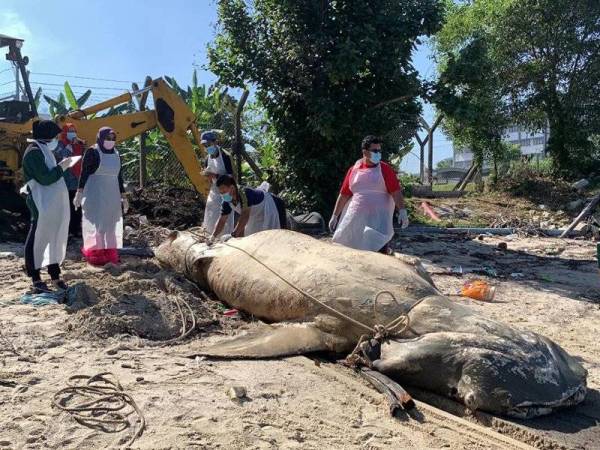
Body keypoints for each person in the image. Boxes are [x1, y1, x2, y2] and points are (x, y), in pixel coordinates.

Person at [329, 135, 409, 253]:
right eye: (375, 151)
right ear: (365, 152)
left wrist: (402, 211)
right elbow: (344, 194)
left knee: (378, 251)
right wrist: (335, 216)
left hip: (379, 220)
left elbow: (396, 192)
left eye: (379, 151)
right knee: (351, 250)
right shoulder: (353, 170)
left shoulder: (385, 169)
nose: (378, 153)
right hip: (356, 220)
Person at [21, 120, 72, 293]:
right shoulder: (34, 153)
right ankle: (35, 277)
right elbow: (46, 178)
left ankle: (54, 274)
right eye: (55, 135)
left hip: (49, 201)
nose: (56, 138)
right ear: (47, 136)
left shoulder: (43, 150)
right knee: (37, 237)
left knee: (53, 237)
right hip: (39, 201)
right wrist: (62, 167)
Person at [73, 127, 128, 265]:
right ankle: (96, 253)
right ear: (101, 137)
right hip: (95, 193)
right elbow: (84, 173)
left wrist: (124, 196)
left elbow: (119, 176)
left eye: (113, 139)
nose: (111, 141)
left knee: (111, 223)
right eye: (108, 138)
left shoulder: (116, 153)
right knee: (98, 224)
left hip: (112, 194)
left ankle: (109, 253)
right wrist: (79, 192)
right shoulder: (92, 152)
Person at [210, 174, 287, 240]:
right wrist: (213, 236)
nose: (222, 194)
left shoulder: (244, 193)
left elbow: (245, 216)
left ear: (232, 188)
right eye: (220, 192)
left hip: (272, 206)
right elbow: (222, 220)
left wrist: (233, 235)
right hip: (255, 216)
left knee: (280, 235)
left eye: (224, 191)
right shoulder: (226, 201)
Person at [53, 123, 85, 237]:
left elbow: (82, 158)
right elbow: (61, 156)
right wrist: (70, 146)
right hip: (65, 180)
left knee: (77, 205)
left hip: (77, 180)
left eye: (74, 130)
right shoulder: (60, 144)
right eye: (70, 131)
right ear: (65, 133)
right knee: (67, 206)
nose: (73, 133)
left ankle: (76, 228)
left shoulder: (79, 145)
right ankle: (67, 229)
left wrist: (79, 144)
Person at [200, 130, 234, 235]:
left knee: (224, 215)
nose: (207, 147)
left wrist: (215, 176)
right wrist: (207, 175)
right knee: (210, 212)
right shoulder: (207, 159)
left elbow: (232, 177)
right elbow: (209, 177)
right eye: (205, 145)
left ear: (215, 142)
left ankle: (224, 236)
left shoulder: (226, 156)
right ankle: (210, 235)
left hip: (227, 190)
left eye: (208, 144)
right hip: (214, 190)